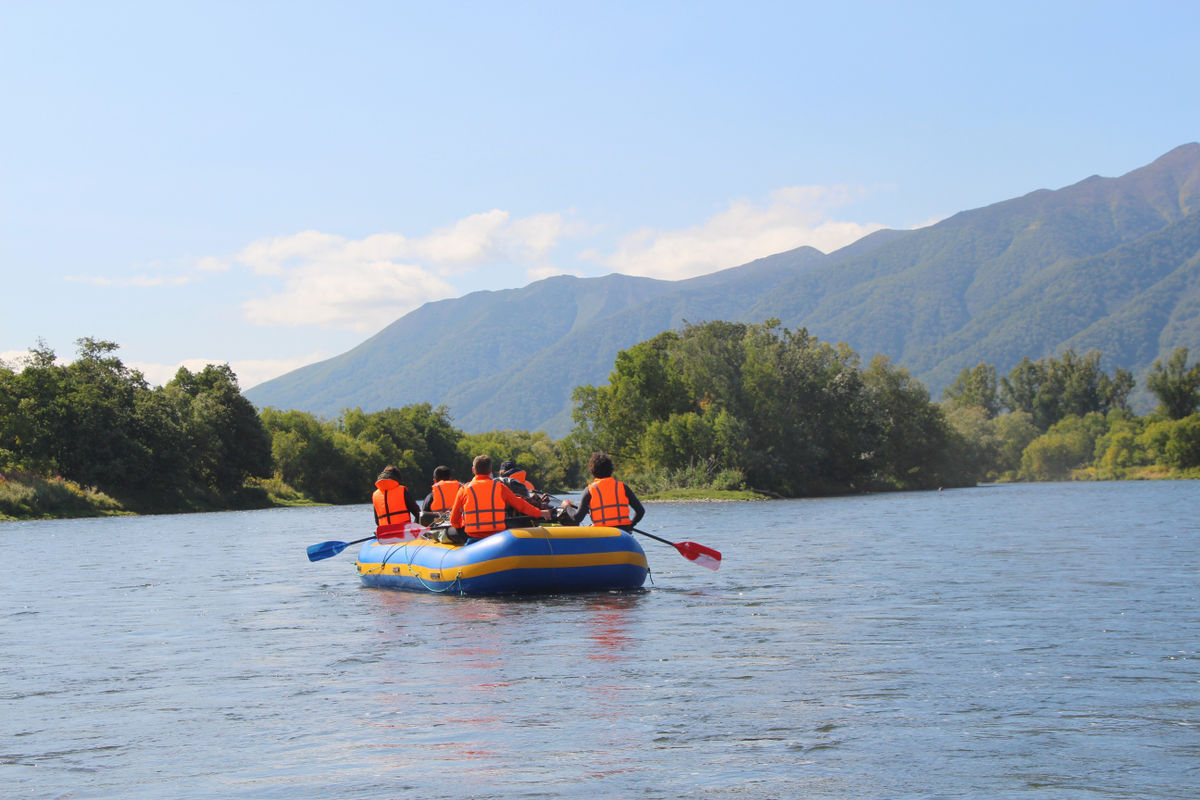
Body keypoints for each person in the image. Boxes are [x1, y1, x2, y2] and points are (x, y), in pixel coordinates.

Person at [449, 454, 551, 543]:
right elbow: (520, 505)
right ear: (490, 471)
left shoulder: (464, 489)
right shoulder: (499, 487)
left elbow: (454, 520)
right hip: (497, 539)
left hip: (474, 538)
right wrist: (541, 513)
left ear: (473, 470)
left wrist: (461, 525)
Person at [559, 452, 644, 530]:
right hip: (623, 531)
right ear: (610, 469)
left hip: (603, 533)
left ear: (593, 470)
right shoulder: (623, 487)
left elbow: (577, 518)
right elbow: (640, 511)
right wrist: (631, 526)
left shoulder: (589, 490)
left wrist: (566, 506)